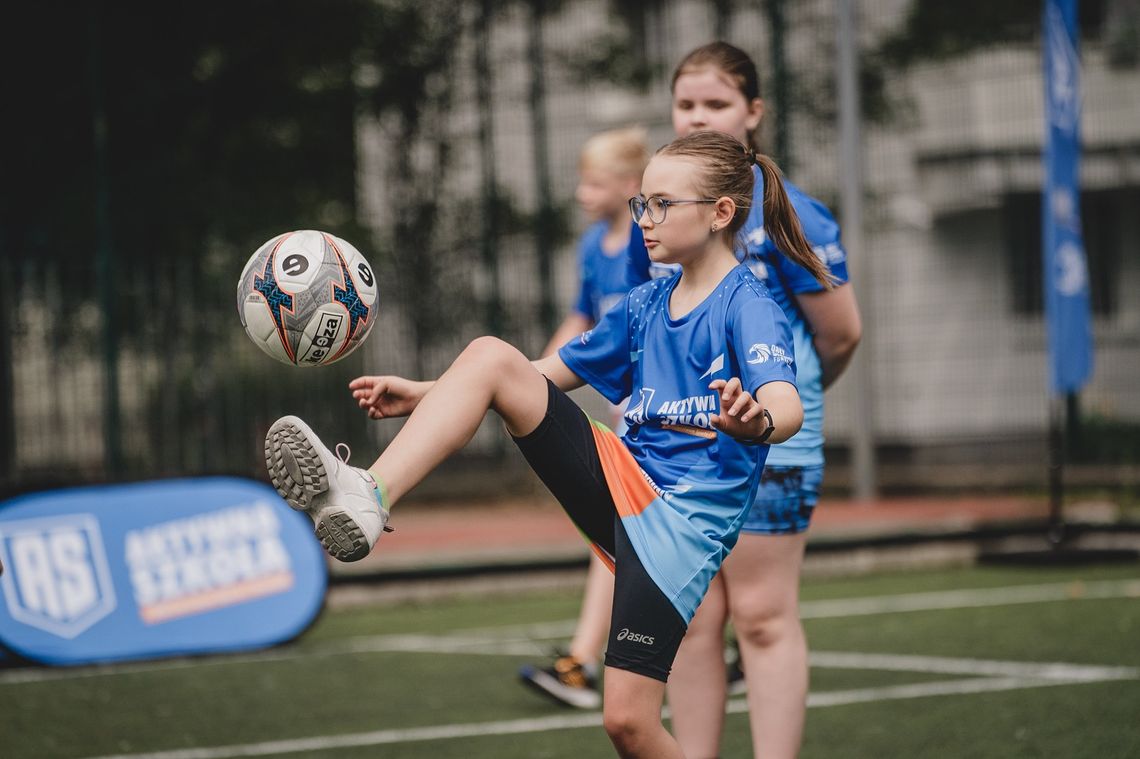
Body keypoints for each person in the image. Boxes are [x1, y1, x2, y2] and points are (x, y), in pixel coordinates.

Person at [263, 130, 831, 759]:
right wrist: (426, 391)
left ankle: (369, 493)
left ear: (721, 213)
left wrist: (755, 423)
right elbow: (540, 373)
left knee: (628, 724)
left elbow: (786, 405)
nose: (645, 219)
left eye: (663, 204)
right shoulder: (646, 302)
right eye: (642, 203)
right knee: (489, 357)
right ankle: (368, 492)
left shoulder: (749, 303)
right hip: (625, 482)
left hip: (682, 523)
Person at [657, 42, 863, 759]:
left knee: (764, 617)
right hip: (676, 450)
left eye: (715, 103)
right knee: (688, 619)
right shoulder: (665, 211)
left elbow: (840, 335)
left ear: (753, 112)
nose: (698, 116)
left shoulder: (790, 214)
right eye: (686, 103)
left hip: (771, 448)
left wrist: (783, 408)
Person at [519, 127, 649, 709]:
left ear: (628, 186)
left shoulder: (653, 246)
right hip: (630, 417)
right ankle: (583, 663)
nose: (580, 193)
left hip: (663, 418)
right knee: (618, 539)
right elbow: (579, 320)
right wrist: (522, 377)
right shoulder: (594, 246)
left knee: (628, 540)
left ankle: (585, 662)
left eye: (593, 182)